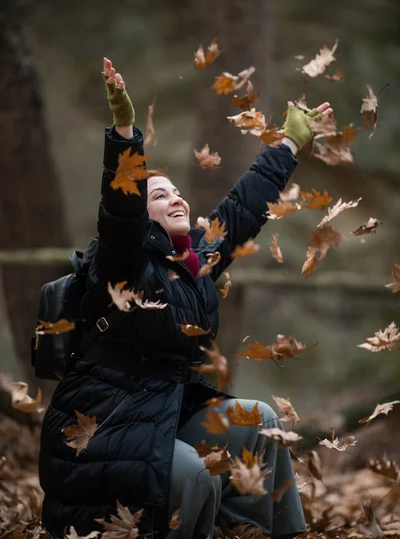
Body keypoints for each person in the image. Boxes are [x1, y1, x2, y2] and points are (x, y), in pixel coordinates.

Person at [38, 57, 333, 539]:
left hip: (166, 417)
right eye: (159, 196)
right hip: (106, 432)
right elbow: (120, 207)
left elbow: (244, 207)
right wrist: (125, 132)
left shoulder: (197, 263)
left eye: (177, 192)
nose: (175, 198)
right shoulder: (120, 262)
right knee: (191, 475)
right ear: (141, 215)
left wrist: (289, 143)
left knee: (260, 420)